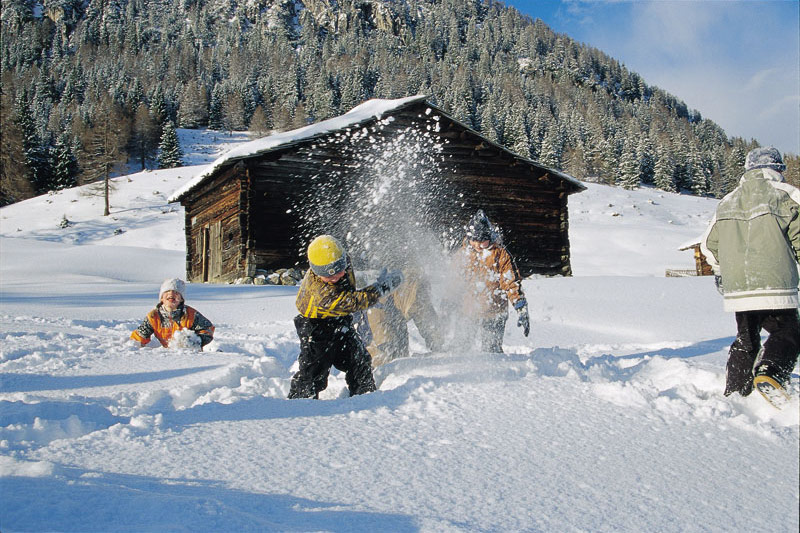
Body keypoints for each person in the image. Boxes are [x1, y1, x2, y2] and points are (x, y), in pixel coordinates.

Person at [700, 146, 800, 408]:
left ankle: (736, 390)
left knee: (746, 336)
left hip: (738, 287)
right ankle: (771, 373)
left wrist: (721, 270)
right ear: (778, 169)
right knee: (787, 331)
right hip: (774, 282)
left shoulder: (728, 201)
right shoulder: (787, 195)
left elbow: (708, 246)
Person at [288, 235, 403, 399]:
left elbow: (354, 279)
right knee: (314, 371)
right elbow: (357, 301)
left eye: (340, 269)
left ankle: (366, 397)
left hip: (340, 319)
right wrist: (381, 288)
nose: (337, 276)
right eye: (329, 275)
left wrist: (373, 278)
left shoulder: (339, 259)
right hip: (315, 327)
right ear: (316, 271)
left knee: (358, 359)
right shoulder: (322, 295)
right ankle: (299, 404)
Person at [456, 209, 529, 353]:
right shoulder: (463, 254)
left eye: (482, 241)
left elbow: (511, 281)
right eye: (474, 240)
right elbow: (454, 279)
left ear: (490, 237)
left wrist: (520, 305)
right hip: (468, 311)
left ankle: (495, 371)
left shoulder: (500, 254)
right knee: (461, 348)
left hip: (494, 312)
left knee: (491, 350)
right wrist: (447, 300)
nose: (478, 245)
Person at [365, 267, 444, 367]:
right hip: (373, 328)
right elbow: (377, 325)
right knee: (386, 359)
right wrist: (387, 347)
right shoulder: (380, 301)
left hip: (397, 315)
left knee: (401, 357)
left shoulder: (417, 291)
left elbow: (427, 320)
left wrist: (438, 343)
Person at [130, 278, 215, 349]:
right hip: (167, 355)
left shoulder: (190, 314)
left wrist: (194, 341)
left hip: (187, 353)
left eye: (176, 293)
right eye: (167, 292)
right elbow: (139, 336)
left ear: (181, 299)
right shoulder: (153, 316)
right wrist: (133, 345)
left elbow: (208, 328)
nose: (171, 294)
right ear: (161, 298)